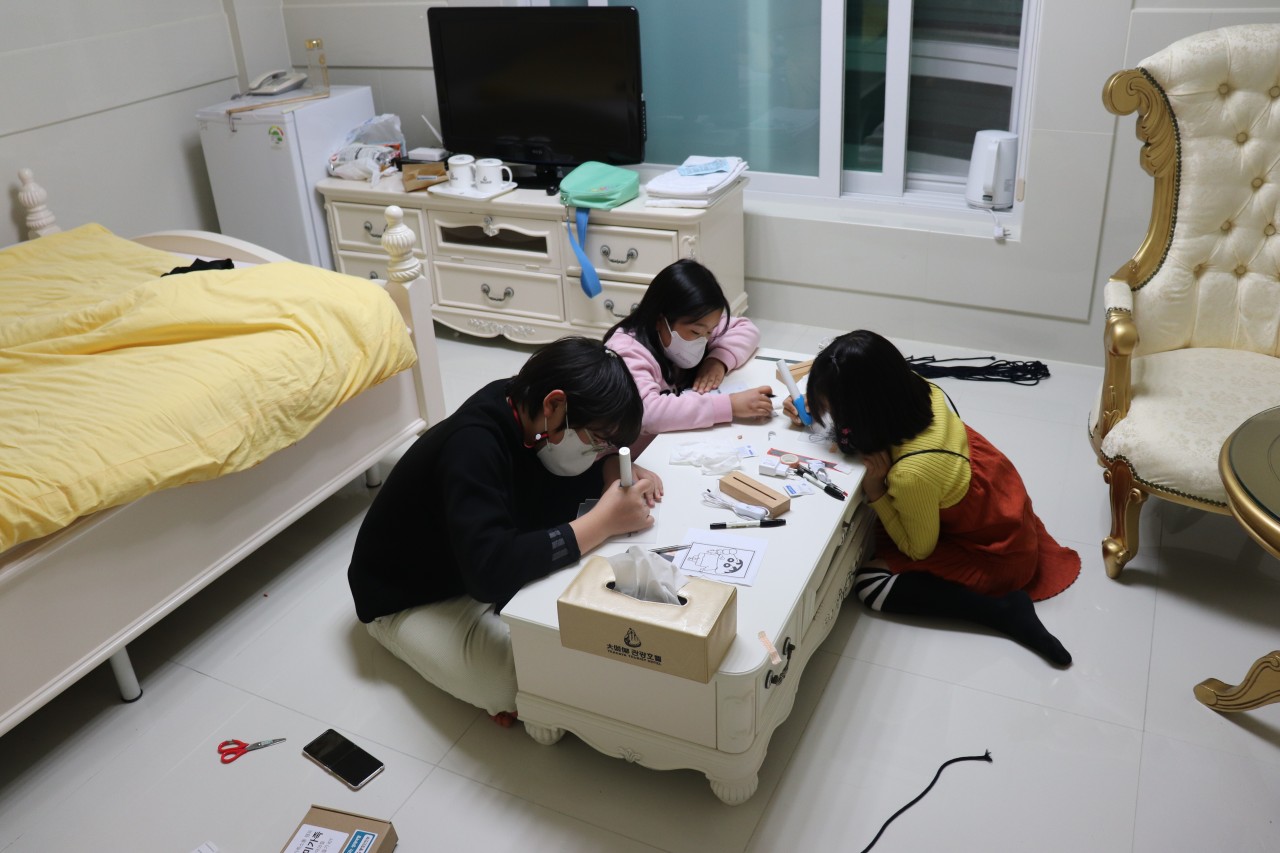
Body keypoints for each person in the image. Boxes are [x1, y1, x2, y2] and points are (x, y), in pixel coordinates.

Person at [347, 336, 663, 722]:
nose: (597, 451)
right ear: (554, 404)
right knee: (512, 681)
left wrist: (610, 467)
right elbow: (489, 574)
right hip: (407, 593)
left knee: (565, 626)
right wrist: (604, 521)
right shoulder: (474, 443)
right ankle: (398, 636)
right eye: (597, 441)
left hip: (469, 556)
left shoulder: (529, 410)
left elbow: (551, 480)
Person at [785, 330, 1079, 666]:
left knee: (870, 584)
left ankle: (1000, 610)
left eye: (833, 408)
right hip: (1004, 509)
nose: (831, 416)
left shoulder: (910, 474)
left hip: (996, 554)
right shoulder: (919, 389)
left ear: (861, 410)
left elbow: (918, 549)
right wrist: (816, 406)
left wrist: (877, 489)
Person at [604, 259, 773, 451]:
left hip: (677, 440)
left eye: (710, 332)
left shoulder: (698, 324)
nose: (704, 339)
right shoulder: (626, 350)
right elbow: (648, 413)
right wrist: (730, 405)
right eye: (696, 332)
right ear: (659, 319)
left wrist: (717, 360)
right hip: (639, 455)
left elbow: (746, 328)